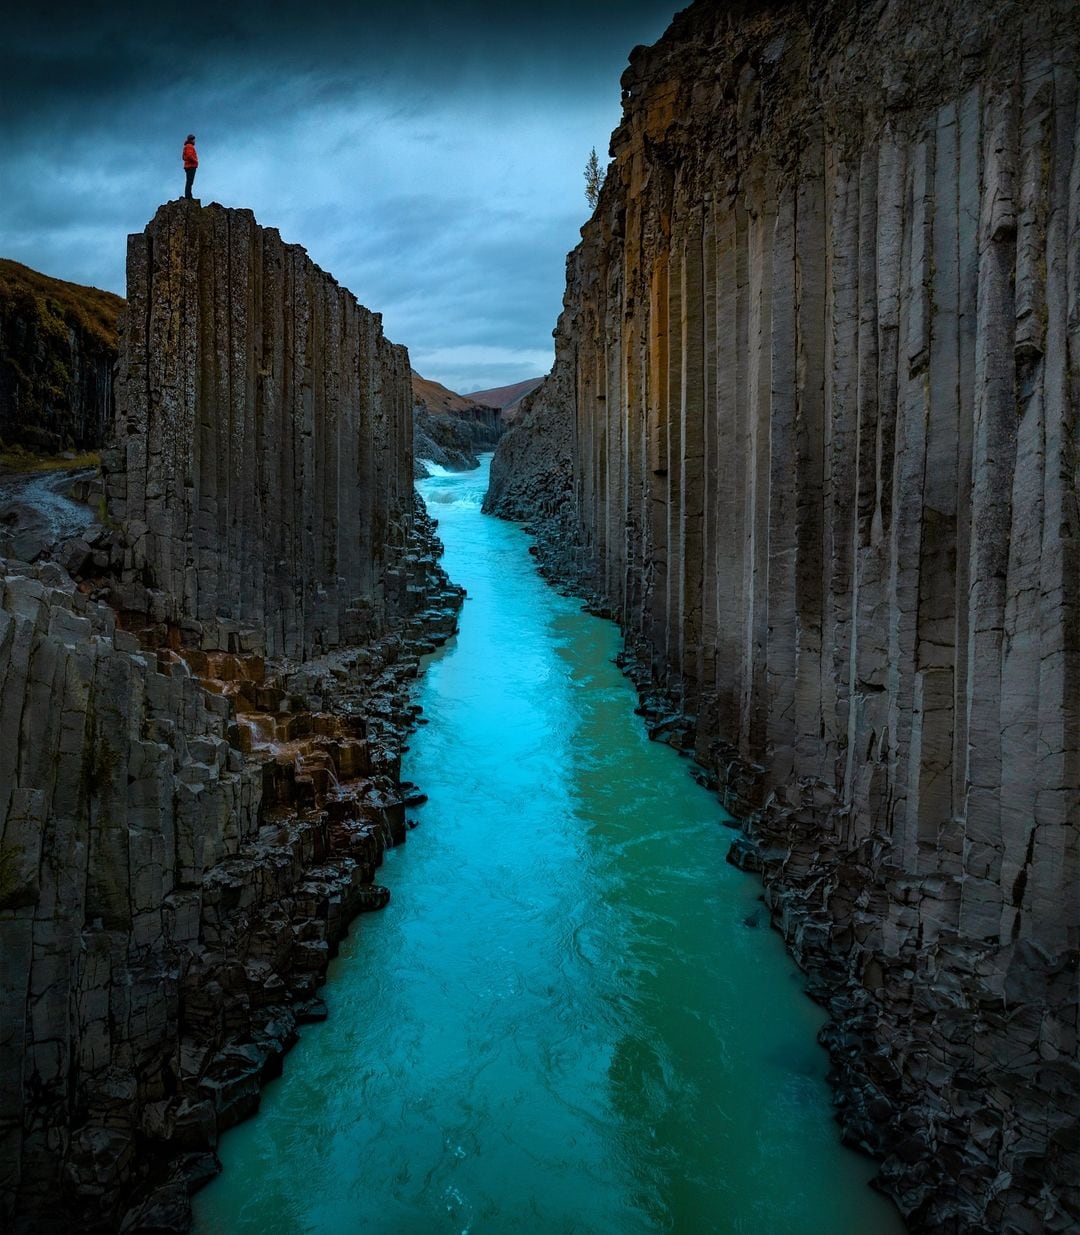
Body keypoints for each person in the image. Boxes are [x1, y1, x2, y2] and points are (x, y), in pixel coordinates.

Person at [183, 134, 198, 199]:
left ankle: (188, 196)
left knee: (189, 182)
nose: (195, 141)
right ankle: (188, 196)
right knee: (189, 182)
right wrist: (195, 161)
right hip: (191, 166)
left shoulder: (187, 146)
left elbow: (183, 157)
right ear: (191, 140)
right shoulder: (189, 146)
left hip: (188, 166)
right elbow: (189, 156)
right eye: (194, 139)